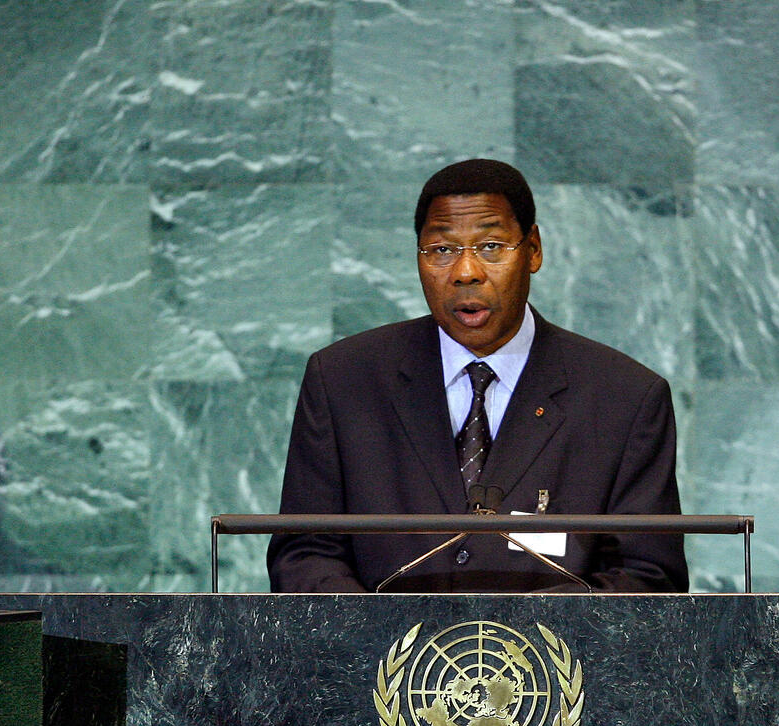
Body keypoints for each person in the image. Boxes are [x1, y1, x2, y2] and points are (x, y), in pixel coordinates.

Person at [267, 158, 688, 593]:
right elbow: (304, 554)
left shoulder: (624, 397)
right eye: (442, 250)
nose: (466, 272)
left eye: (490, 246)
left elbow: (648, 578)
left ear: (533, 250)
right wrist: (383, 630)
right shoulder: (344, 380)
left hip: (553, 640)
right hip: (379, 639)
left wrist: (520, 632)